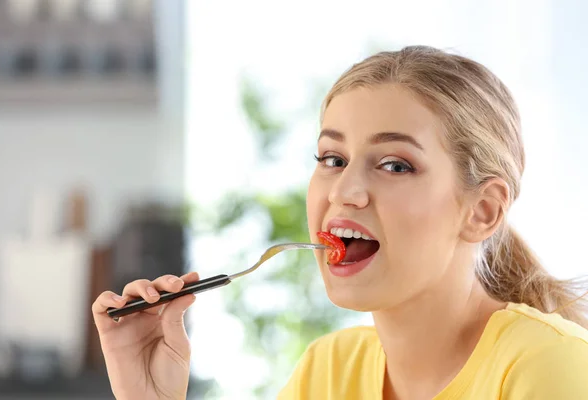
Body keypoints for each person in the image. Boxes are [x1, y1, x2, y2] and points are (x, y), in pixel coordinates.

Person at [92, 46, 588, 399]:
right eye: (332, 158)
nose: (344, 191)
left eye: (395, 165)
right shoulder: (328, 371)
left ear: (483, 211)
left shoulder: (548, 369)